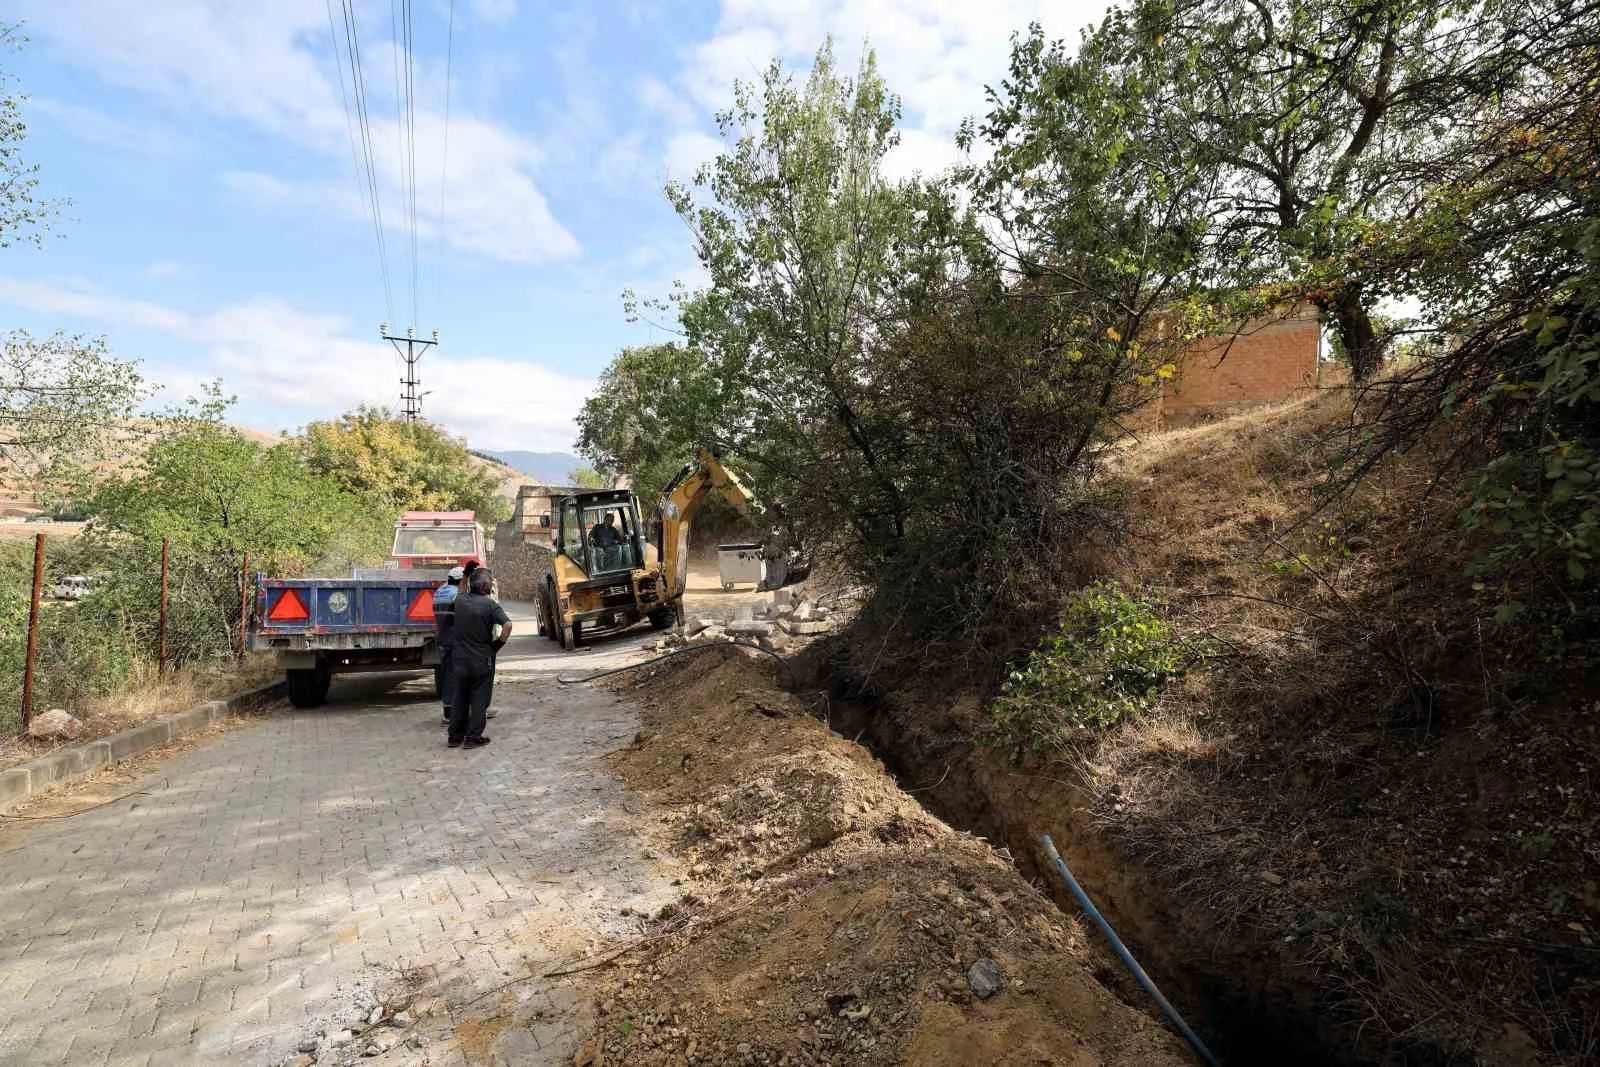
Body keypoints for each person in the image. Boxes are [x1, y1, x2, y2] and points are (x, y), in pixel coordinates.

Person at [449, 566, 511, 748]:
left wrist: (466, 575)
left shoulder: (459, 600)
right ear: (485, 585)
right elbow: (507, 626)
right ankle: (473, 737)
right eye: (491, 581)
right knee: (479, 698)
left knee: (459, 697)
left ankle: (454, 737)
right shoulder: (490, 605)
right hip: (480, 660)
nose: (492, 584)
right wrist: (496, 646)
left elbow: (461, 590)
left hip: (459, 660)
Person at [432, 565, 464, 726]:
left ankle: (448, 709)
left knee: (447, 675)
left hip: (442, 639)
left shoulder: (439, 592)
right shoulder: (456, 594)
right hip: (454, 640)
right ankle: (451, 713)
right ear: (460, 579)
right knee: (455, 676)